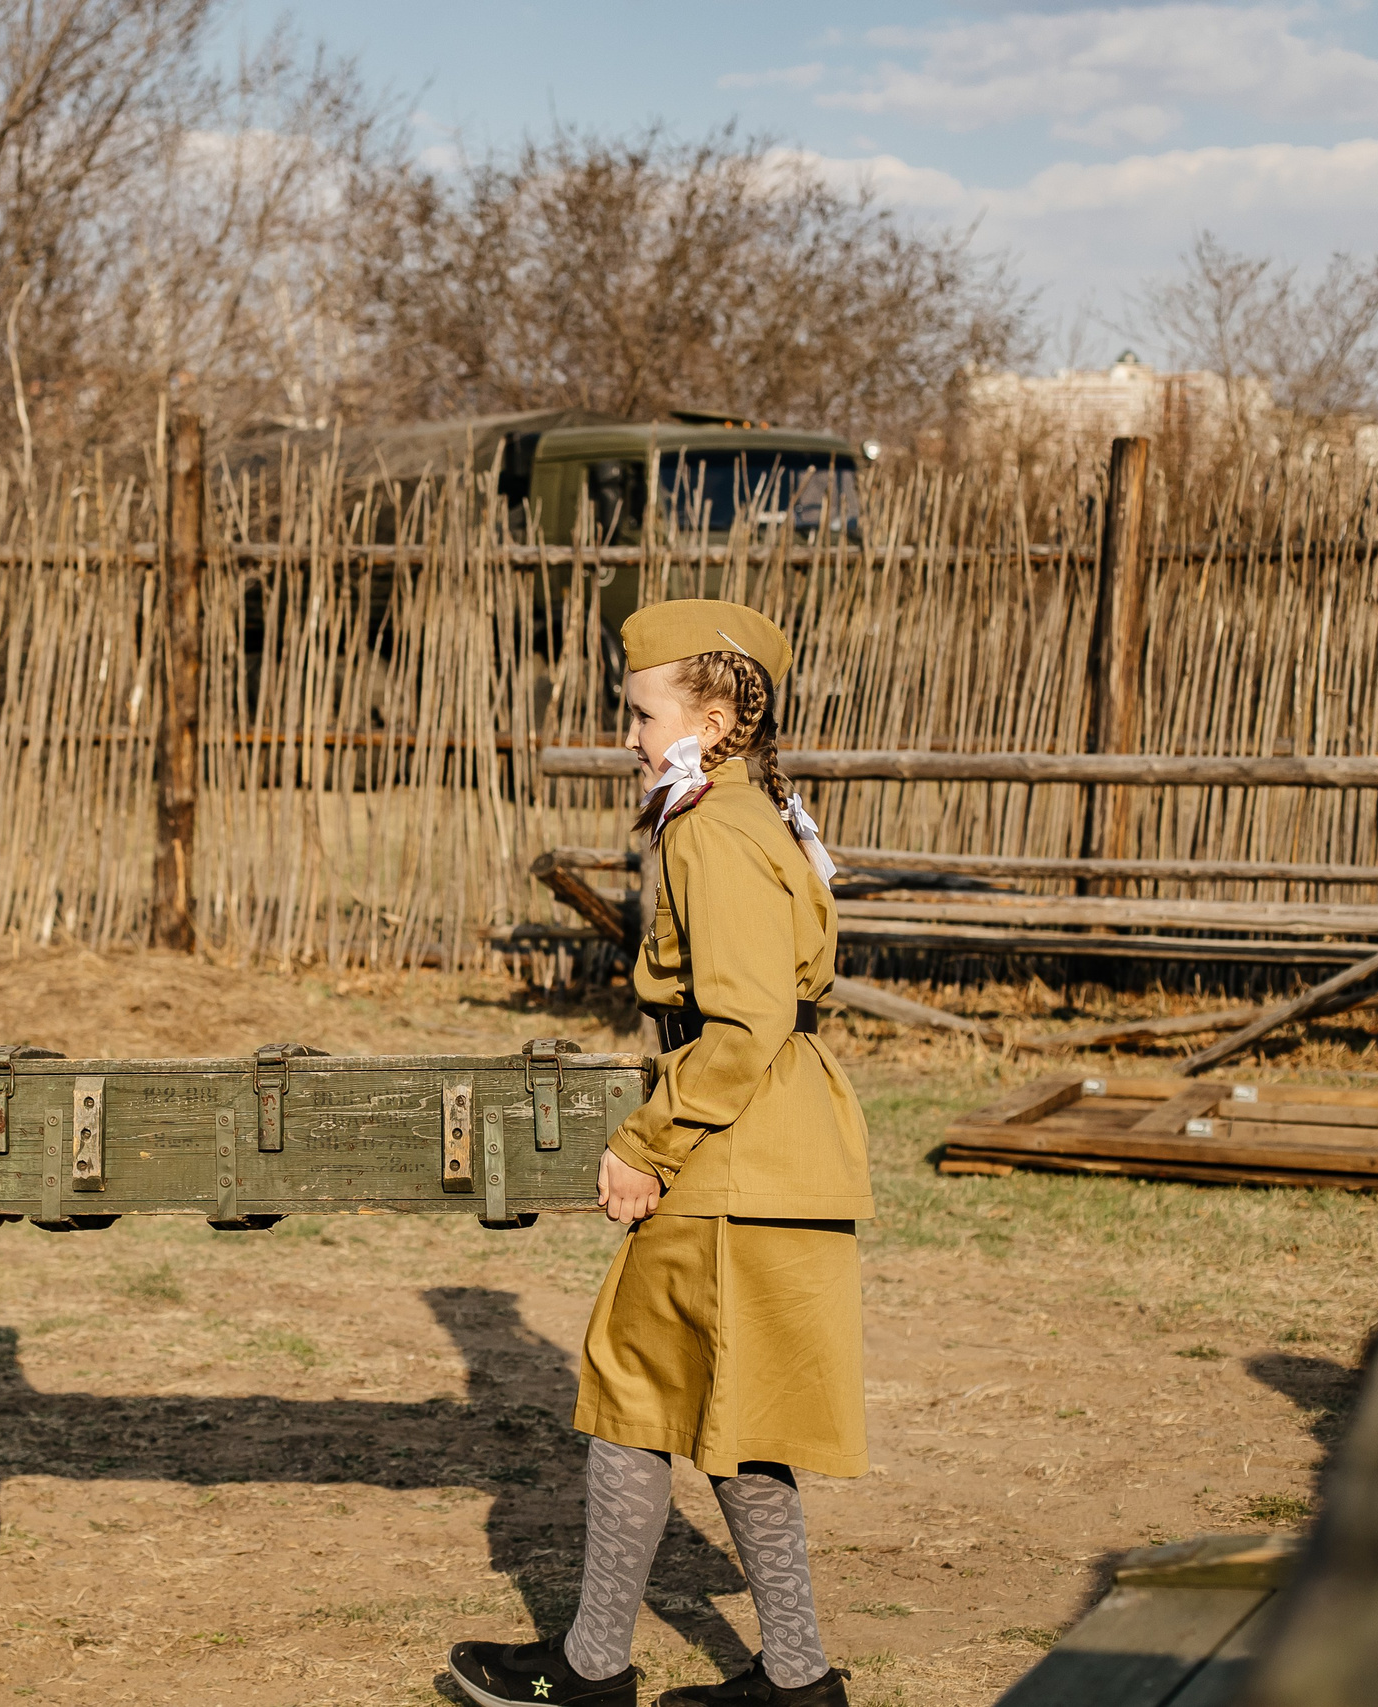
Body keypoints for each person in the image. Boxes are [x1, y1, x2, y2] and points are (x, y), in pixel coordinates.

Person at [447, 600, 871, 1707]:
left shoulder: (712, 831)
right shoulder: (749, 813)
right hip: (770, 1148)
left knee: (636, 1394)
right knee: (730, 1418)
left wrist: (645, 1144)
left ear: (718, 716)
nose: (628, 736)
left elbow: (741, 1028)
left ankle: (598, 1674)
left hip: (732, 1152)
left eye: (641, 714)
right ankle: (792, 1679)